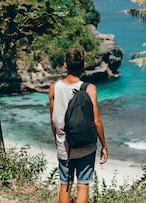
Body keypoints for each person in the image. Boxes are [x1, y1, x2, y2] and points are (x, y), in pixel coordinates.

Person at [49, 47, 108, 203]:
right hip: (85, 144)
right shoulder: (90, 88)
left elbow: (53, 120)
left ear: (65, 65)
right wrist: (104, 145)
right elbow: (96, 121)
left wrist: (57, 141)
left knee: (65, 185)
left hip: (64, 144)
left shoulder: (54, 88)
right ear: (83, 65)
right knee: (83, 185)